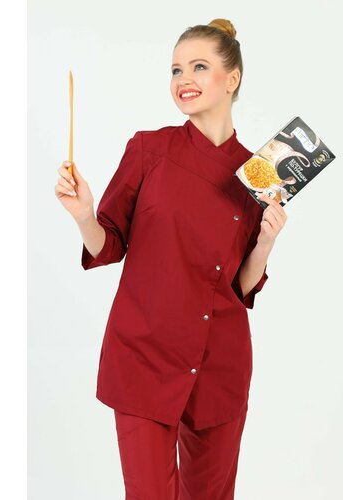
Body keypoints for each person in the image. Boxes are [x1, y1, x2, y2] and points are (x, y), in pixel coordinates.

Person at [55, 18, 287, 500]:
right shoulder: (149, 149)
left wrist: (266, 242)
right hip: (144, 354)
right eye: (176, 69)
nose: (183, 79)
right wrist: (84, 215)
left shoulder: (260, 172)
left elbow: (241, 287)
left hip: (219, 363)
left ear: (232, 78)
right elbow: (110, 244)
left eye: (199, 67)